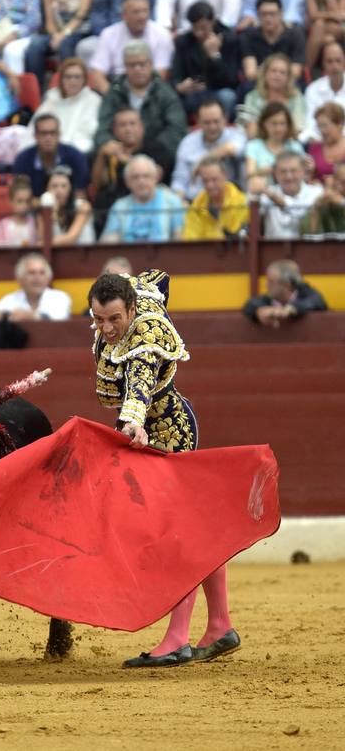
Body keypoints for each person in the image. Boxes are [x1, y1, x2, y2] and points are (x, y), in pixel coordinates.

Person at [88, 269, 238, 667]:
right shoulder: (135, 296)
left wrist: (133, 419)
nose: (107, 328)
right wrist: (125, 278)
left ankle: (177, 639)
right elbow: (160, 276)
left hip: (167, 432)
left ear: (132, 310)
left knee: (176, 536)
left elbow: (139, 382)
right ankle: (220, 624)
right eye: (99, 319)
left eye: (115, 319)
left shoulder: (147, 335)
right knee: (191, 531)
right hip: (147, 435)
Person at [94, 41, 187, 161]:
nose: (137, 69)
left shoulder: (166, 93)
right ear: (125, 67)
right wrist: (113, 146)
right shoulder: (114, 92)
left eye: (142, 64)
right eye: (132, 65)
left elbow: (176, 130)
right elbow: (103, 129)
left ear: (150, 64)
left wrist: (149, 151)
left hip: (156, 156)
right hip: (120, 155)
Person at [92, 107, 174, 233]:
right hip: (115, 204)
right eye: (123, 125)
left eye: (132, 124)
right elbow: (98, 183)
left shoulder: (156, 148)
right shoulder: (110, 151)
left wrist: (125, 159)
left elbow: (157, 174)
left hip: (148, 202)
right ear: (115, 130)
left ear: (141, 127)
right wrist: (101, 157)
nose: (128, 129)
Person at [24, 0, 94, 89]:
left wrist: (63, 34)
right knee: (35, 45)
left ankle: (68, 89)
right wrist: (55, 34)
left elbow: (82, 13)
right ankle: (37, 92)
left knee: (65, 44)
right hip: (58, 31)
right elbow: (49, 18)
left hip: (79, 29)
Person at [90, 0, 173, 95]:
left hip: (150, 90)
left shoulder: (161, 34)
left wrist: (141, 99)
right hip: (116, 86)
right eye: (136, 12)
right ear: (124, 15)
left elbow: (161, 74)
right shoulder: (108, 34)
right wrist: (112, 98)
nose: (142, 16)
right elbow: (97, 73)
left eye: (145, 11)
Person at [170, 1, 240, 120]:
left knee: (228, 97)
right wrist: (181, 86)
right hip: (194, 93)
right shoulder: (183, 42)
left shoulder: (229, 39)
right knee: (178, 102)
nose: (198, 33)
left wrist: (215, 56)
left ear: (213, 22)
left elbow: (231, 80)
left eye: (203, 28)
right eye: (195, 28)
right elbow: (176, 76)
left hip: (219, 90)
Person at [171, 100, 246, 202]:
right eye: (207, 122)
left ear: (225, 119)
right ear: (197, 121)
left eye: (216, 121)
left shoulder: (236, 135)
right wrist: (179, 203)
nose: (212, 127)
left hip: (230, 203)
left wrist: (200, 164)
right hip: (194, 203)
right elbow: (179, 181)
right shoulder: (187, 143)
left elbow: (230, 149)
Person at [100, 154, 184, 243]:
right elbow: (108, 243)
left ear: (156, 178)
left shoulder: (172, 202)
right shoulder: (120, 206)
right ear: (127, 182)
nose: (141, 181)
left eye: (146, 176)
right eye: (135, 177)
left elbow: (180, 239)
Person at [26, 57, 101, 155]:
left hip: (78, 153)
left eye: (77, 77)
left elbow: (88, 133)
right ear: (61, 79)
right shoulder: (51, 99)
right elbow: (34, 127)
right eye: (68, 77)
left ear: (84, 80)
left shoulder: (94, 100)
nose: (73, 81)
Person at [12, 112, 90, 197]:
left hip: (68, 208)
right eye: (43, 133)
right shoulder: (23, 160)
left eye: (52, 133)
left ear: (59, 134)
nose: (48, 138)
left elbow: (80, 194)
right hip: (34, 208)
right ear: (35, 135)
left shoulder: (75, 157)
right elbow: (20, 197)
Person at [249, 151, 323, 239]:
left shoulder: (316, 192)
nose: (289, 176)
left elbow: (297, 213)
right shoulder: (267, 193)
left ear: (303, 171)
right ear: (275, 174)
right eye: (283, 172)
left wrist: (270, 194)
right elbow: (249, 215)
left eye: (293, 171)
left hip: (309, 250)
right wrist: (254, 190)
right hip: (274, 250)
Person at [240, 0, 305, 85]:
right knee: (247, 87)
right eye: (263, 14)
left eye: (272, 14)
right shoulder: (249, 36)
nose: (268, 18)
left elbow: (295, 72)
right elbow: (250, 73)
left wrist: (268, 73)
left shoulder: (295, 35)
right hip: (259, 83)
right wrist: (277, 74)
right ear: (257, 15)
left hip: (287, 84)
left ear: (281, 14)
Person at [240, 53, 307, 138]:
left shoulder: (296, 97)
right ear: (265, 74)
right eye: (273, 71)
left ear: (288, 77)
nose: (277, 75)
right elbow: (250, 130)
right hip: (258, 142)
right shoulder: (252, 97)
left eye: (282, 72)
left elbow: (298, 127)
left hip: (289, 142)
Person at [243, 259, 327, 326]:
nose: (266, 285)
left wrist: (290, 309)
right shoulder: (267, 299)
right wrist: (260, 310)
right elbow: (250, 303)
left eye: (271, 281)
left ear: (287, 284)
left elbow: (317, 301)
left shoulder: (306, 293)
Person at [0, 251, 72, 321]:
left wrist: (32, 317)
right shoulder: (7, 301)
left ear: (48, 279)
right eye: (31, 273)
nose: (37, 278)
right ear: (20, 279)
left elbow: (57, 320)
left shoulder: (60, 298)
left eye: (42, 273)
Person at [182, 156, 249, 240]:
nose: (210, 185)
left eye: (214, 179)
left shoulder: (242, 202)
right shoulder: (197, 206)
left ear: (225, 176)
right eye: (205, 181)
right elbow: (189, 241)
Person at [245, 102, 305, 187]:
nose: (278, 128)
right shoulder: (254, 146)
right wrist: (265, 171)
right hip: (264, 190)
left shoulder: (295, 146)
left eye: (282, 123)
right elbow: (249, 174)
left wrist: (310, 167)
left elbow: (303, 174)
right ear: (264, 124)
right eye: (274, 123)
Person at [301, 40, 345, 142]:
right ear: (323, 64)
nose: (334, 66)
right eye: (329, 61)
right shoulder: (313, 89)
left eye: (338, 61)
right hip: (320, 142)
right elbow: (310, 124)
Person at [42, 164, 95, 246]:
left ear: (70, 188)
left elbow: (70, 238)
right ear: (47, 189)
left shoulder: (83, 206)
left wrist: (42, 244)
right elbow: (44, 237)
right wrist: (53, 213)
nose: (59, 190)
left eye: (64, 186)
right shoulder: (44, 209)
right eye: (54, 186)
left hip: (84, 256)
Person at [0, 175, 38, 247]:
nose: (24, 205)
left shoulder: (36, 224)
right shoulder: (1, 227)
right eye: (19, 201)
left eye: (27, 201)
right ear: (11, 201)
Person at [301, 159, 345, 234]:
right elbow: (310, 236)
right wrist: (316, 208)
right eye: (337, 182)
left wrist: (343, 203)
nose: (339, 187)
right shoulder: (322, 199)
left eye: (344, 183)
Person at [308, 101, 345, 181]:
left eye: (325, 125)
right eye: (319, 126)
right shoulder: (314, 149)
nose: (322, 131)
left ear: (339, 124)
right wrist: (310, 174)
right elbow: (309, 179)